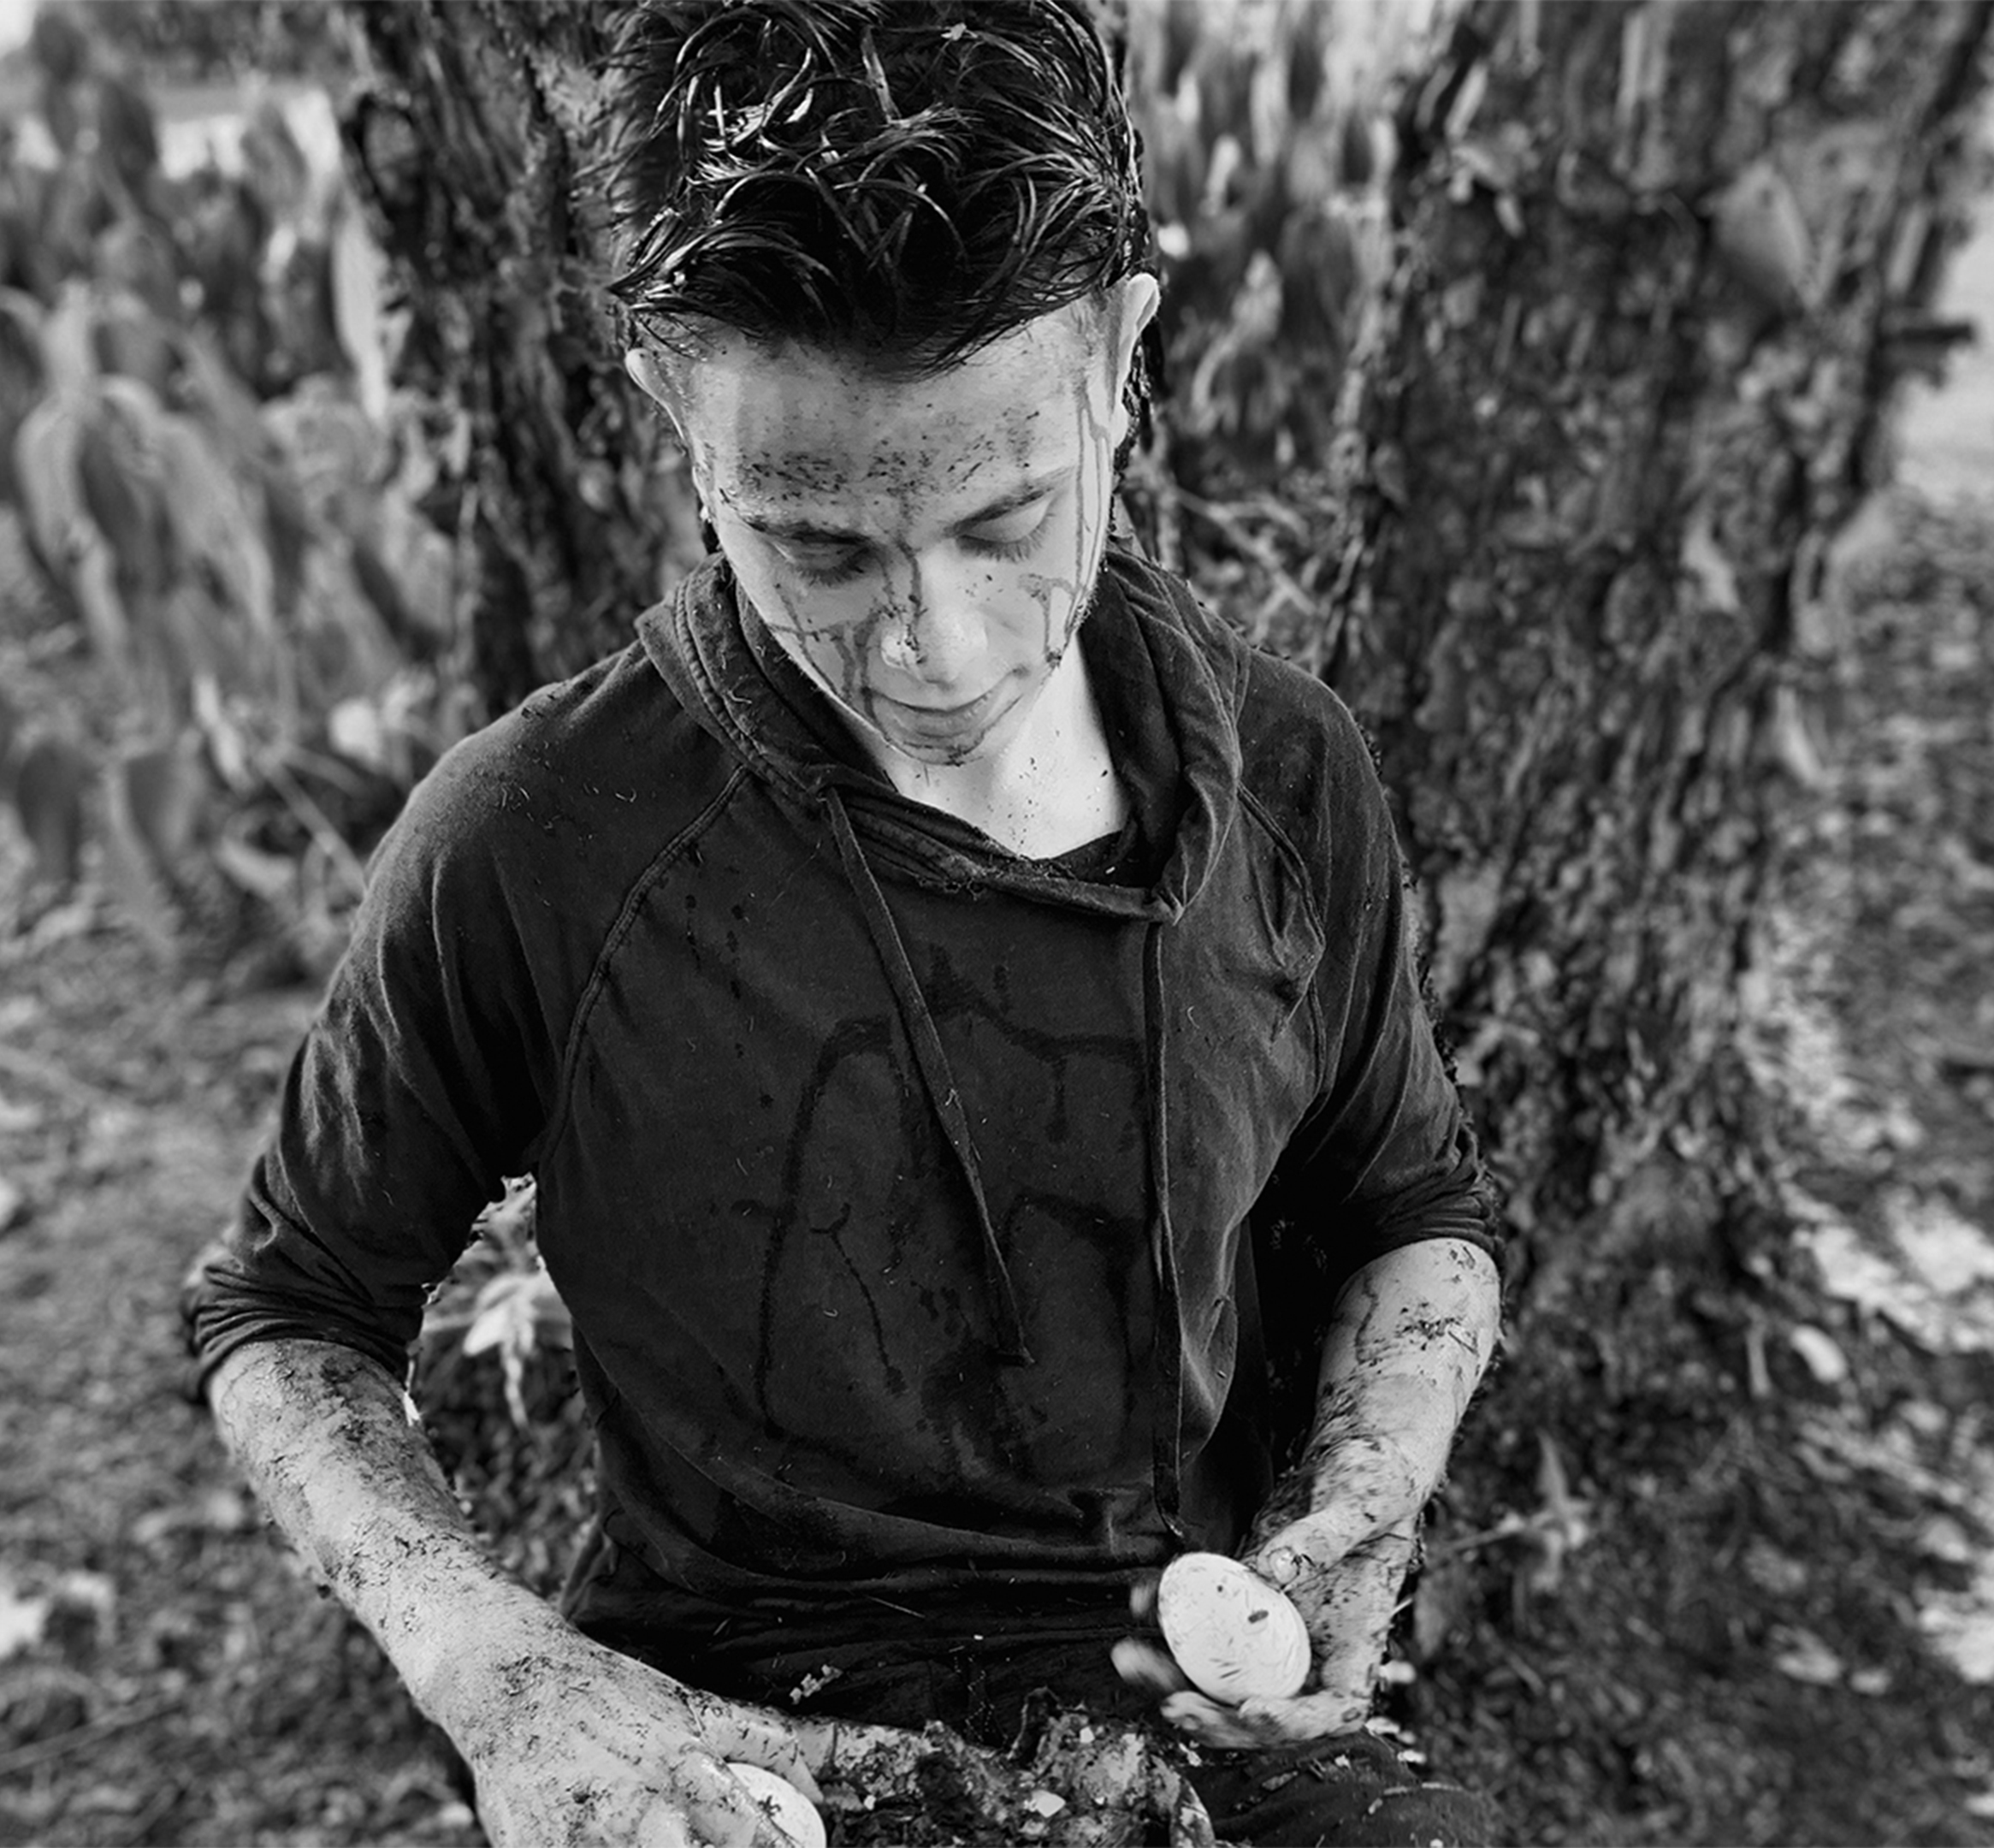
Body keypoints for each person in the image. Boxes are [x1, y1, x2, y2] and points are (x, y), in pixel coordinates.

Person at [182, 3, 1505, 1842]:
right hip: (729, 1731)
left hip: (1186, 1712)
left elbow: (1411, 1211)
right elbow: (286, 1310)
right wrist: (502, 1673)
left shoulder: (1285, 777)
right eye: (818, 546)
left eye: (1008, 519)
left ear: (1123, 355)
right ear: (674, 410)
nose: (932, 650)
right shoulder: (535, 840)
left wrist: (1370, 1487)